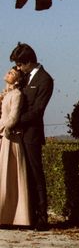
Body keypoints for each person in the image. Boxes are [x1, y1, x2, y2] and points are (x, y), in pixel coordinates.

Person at [10, 43, 54, 231]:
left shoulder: (45, 80)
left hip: (32, 135)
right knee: (22, 175)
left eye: (20, 64)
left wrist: (15, 121)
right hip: (18, 135)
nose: (18, 68)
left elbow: (37, 111)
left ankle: (42, 217)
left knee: (36, 175)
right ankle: (26, 216)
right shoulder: (24, 78)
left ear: (29, 62)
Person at [0, 67, 31, 227]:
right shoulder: (6, 94)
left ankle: (13, 217)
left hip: (10, 138)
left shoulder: (17, 95)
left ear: (18, 80)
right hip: (4, 137)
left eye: (11, 73)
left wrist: (3, 129)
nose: (7, 73)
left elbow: (13, 117)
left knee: (10, 176)